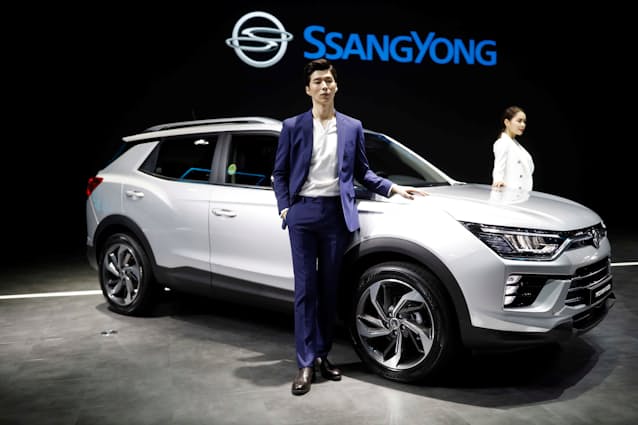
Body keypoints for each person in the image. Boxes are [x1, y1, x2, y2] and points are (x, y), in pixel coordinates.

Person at [272, 58, 427, 396]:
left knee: (330, 290)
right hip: (302, 214)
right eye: (318, 81)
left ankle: (322, 355)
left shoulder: (352, 126)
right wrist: (285, 208)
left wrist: (393, 188)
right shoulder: (293, 126)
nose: (324, 86)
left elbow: (363, 172)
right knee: (305, 291)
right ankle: (304, 363)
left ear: (336, 86)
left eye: (328, 80)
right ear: (308, 89)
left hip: (336, 216)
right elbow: (280, 173)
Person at [491, 105, 534, 192]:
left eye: (524, 122)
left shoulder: (515, 144)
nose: (523, 125)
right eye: (519, 121)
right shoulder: (503, 142)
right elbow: (498, 168)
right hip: (510, 194)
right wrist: (498, 180)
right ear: (507, 122)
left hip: (522, 194)